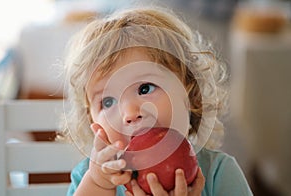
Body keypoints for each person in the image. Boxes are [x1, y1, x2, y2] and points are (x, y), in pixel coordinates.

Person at [60, 6, 253, 196]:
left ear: (190, 93)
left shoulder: (218, 173)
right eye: (108, 102)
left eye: (145, 89)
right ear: (92, 122)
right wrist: (98, 185)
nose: (130, 113)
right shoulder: (91, 177)